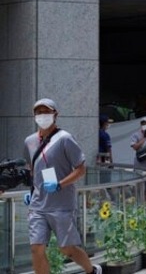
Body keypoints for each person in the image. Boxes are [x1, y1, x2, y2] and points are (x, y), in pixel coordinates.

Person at [23, 98, 102, 274]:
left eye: (46, 111)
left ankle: (92, 270)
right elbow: (31, 170)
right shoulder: (29, 141)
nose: (42, 115)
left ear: (55, 114)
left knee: (67, 249)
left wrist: (59, 184)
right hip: (38, 205)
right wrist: (31, 190)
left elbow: (81, 169)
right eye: (38, 112)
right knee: (36, 249)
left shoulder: (64, 138)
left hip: (61, 204)